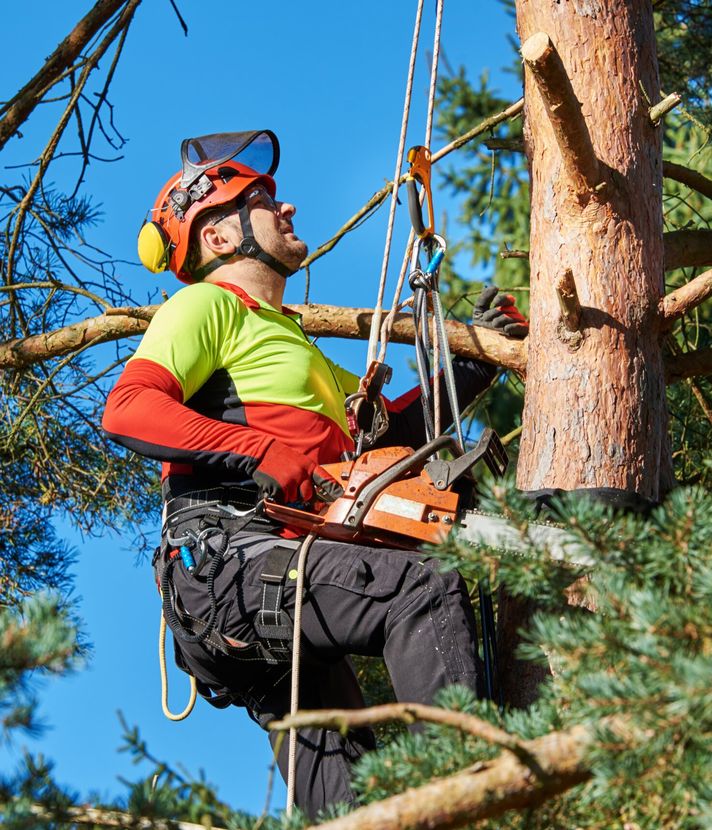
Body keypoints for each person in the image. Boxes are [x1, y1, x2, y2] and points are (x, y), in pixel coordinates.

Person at [102, 130, 528, 818]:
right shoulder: (210, 306)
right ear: (217, 239)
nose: (289, 207)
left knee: (350, 805)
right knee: (418, 590)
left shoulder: (296, 349)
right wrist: (256, 452)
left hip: (272, 581)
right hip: (228, 562)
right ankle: (473, 792)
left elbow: (389, 436)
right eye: (264, 201)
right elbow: (128, 409)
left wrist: (473, 366)